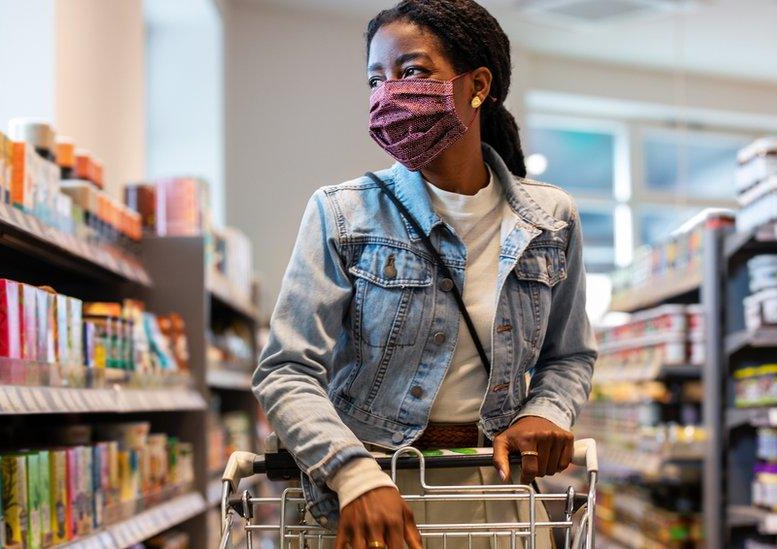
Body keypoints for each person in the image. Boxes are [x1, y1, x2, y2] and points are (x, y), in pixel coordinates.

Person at [252, 0, 597, 547]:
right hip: (368, 501)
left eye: (411, 72)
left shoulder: (551, 220)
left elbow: (570, 355)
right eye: (375, 79)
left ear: (477, 85)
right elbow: (286, 370)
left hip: (497, 498)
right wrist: (354, 476)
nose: (388, 93)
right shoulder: (343, 213)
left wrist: (546, 412)